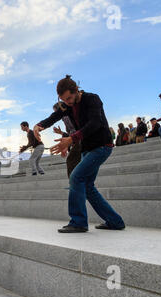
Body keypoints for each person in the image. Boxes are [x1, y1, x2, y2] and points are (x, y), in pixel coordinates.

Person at [33, 75, 125, 233]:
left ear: (76, 90)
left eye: (69, 97)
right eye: (64, 99)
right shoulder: (66, 106)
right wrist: (39, 126)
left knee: (76, 177)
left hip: (102, 146)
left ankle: (78, 222)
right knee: (88, 186)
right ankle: (115, 221)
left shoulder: (92, 99)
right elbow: (54, 117)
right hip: (87, 148)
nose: (68, 102)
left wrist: (71, 139)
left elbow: (95, 123)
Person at [52, 102, 82, 178]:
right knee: (73, 161)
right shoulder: (64, 118)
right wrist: (61, 132)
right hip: (76, 140)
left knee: (71, 160)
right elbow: (70, 133)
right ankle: (76, 183)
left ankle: (74, 184)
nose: (56, 114)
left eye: (56, 112)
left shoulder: (66, 116)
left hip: (79, 139)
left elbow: (75, 130)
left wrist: (66, 145)